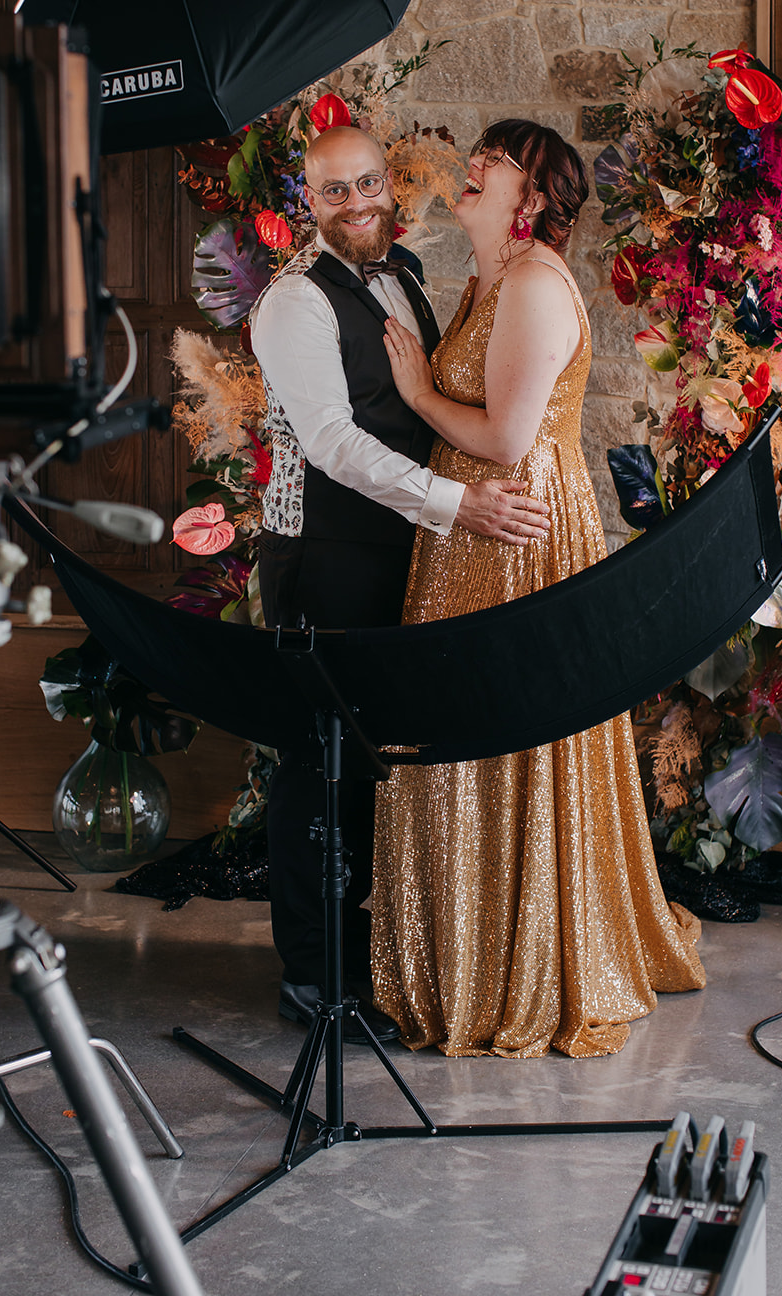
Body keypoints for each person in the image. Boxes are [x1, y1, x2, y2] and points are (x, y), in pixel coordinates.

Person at [371, 118, 705, 1058]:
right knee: (459, 727)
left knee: (500, 719)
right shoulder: (485, 280)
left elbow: (511, 440)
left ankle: (515, 967)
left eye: (495, 161)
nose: (471, 166)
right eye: (475, 155)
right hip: (469, 529)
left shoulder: (530, 284)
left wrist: (415, 392)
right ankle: (460, 954)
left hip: (515, 531)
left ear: (533, 199)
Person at [249, 121, 551, 1044]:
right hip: (323, 557)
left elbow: (424, 405)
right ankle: (313, 977)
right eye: (334, 191)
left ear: (391, 183)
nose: (357, 204)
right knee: (319, 764)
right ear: (310, 201)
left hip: (399, 550)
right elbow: (336, 446)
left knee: (380, 765)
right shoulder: (293, 304)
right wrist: (455, 507)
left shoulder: (408, 273)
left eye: (369, 184)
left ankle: (373, 959)